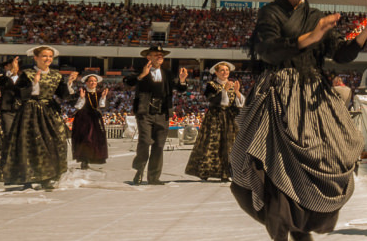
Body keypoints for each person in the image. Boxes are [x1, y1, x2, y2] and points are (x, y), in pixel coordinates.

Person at [230, 0, 367, 241]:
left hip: (314, 99)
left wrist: (366, 33)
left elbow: (341, 54)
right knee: (275, 172)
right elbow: (267, 51)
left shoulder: (317, 16)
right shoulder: (270, 13)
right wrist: (309, 38)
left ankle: (300, 234)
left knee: (328, 164)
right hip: (276, 97)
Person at [0, 47, 74, 191]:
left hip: (50, 111)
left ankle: (51, 175)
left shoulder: (56, 75)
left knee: (57, 141)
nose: (48, 59)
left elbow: (63, 96)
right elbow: (18, 94)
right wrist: (34, 84)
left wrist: (69, 83)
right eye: (44, 56)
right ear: (36, 57)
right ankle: (30, 176)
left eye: (50, 56)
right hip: (30, 111)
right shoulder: (27, 74)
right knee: (31, 144)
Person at [122, 46, 188, 185]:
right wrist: (142, 75)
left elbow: (181, 88)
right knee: (145, 141)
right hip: (145, 111)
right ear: (149, 57)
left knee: (159, 145)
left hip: (162, 112)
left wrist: (182, 80)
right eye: (156, 54)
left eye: (161, 55)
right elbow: (128, 81)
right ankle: (139, 170)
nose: (160, 56)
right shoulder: (141, 71)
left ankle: (153, 177)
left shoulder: (168, 73)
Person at [186, 61, 243, 181]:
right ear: (216, 73)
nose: (225, 72)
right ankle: (205, 171)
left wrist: (237, 92)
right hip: (215, 118)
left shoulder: (232, 85)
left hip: (229, 119)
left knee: (229, 145)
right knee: (212, 144)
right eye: (222, 70)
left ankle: (226, 172)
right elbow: (212, 100)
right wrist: (224, 91)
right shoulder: (211, 85)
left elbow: (239, 104)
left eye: (227, 70)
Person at [70, 74, 109, 170]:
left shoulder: (99, 93)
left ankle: (93, 158)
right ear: (86, 82)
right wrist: (82, 98)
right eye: (91, 81)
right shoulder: (82, 92)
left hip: (95, 119)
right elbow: (77, 107)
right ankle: (84, 160)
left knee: (95, 139)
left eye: (94, 81)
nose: (93, 83)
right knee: (85, 139)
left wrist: (103, 97)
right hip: (83, 119)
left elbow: (102, 106)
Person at [0, 59, 23, 141]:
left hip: (21, 109)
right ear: (6, 67)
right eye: (12, 65)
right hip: (7, 110)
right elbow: (1, 85)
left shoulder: (24, 78)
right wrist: (12, 73)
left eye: (17, 65)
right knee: (9, 134)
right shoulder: (0, 78)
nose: (15, 67)